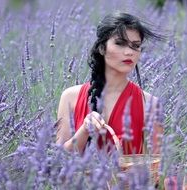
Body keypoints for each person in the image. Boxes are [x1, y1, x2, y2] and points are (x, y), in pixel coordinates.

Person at [56, 12, 164, 155]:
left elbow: (154, 168)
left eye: (135, 46)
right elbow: (59, 160)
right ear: (102, 48)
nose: (129, 52)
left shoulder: (151, 105)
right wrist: (84, 131)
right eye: (120, 43)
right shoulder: (70, 97)